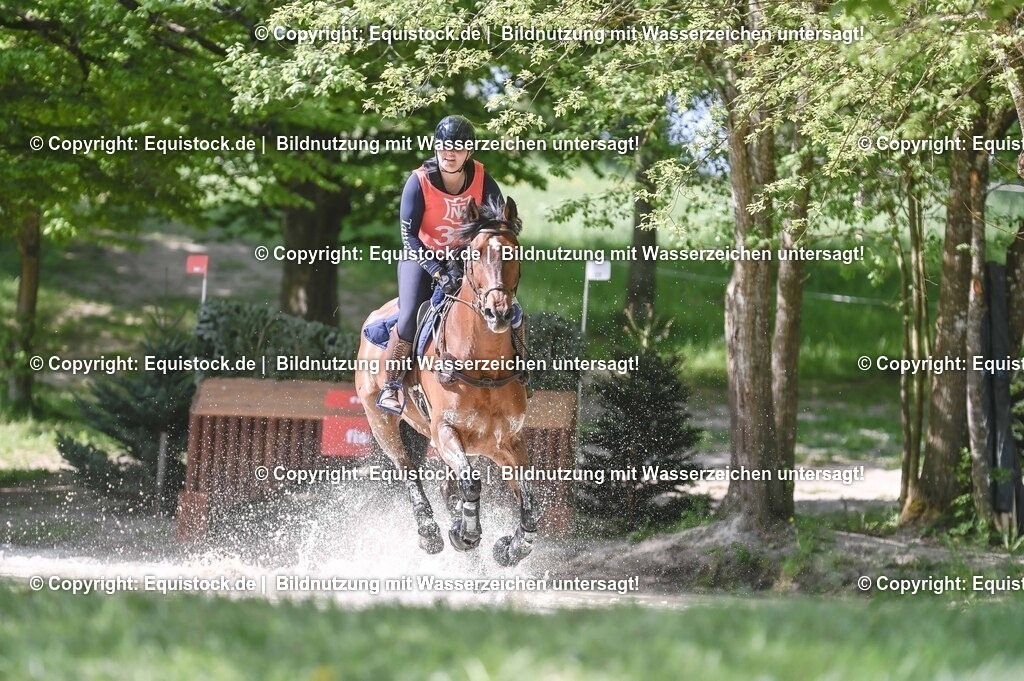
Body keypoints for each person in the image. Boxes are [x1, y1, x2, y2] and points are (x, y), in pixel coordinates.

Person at [377, 115, 524, 414]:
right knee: (410, 315)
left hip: (465, 260)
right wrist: (436, 270)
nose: (449, 153)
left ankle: (521, 371)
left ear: (469, 151)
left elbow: (499, 226)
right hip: (422, 258)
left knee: (514, 311)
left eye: (457, 148)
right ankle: (391, 385)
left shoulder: (483, 179)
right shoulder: (418, 182)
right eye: (444, 146)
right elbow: (408, 237)